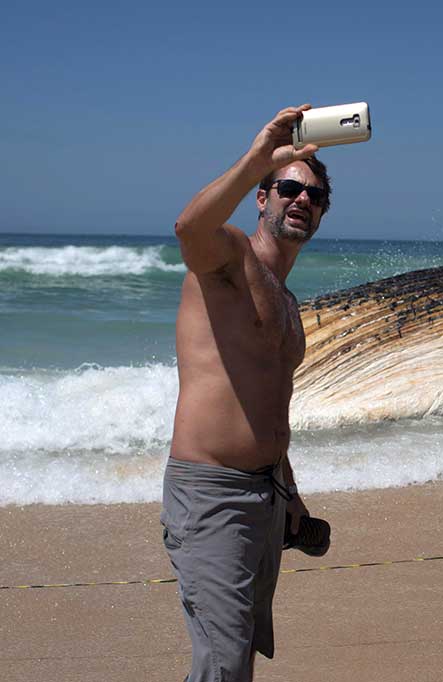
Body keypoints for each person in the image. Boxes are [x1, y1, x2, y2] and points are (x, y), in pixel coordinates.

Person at [160, 104, 331, 681]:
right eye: (288, 188)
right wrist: (259, 157)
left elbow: (269, 406)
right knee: (224, 659)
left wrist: (292, 495)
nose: (302, 199)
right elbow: (189, 228)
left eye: (314, 196)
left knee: (240, 653)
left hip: (267, 493)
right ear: (262, 198)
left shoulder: (287, 301)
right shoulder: (228, 259)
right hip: (212, 495)